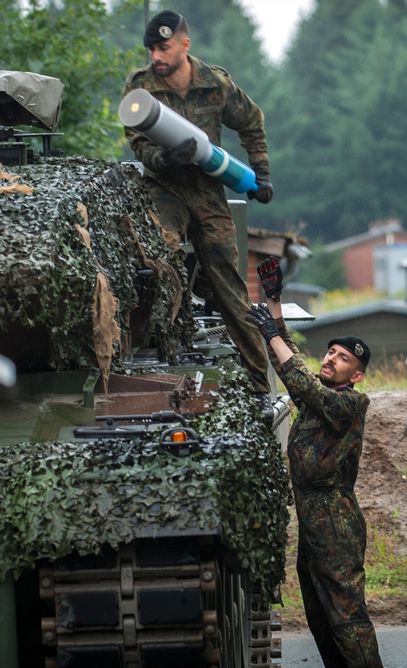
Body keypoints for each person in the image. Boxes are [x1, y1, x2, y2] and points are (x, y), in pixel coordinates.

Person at [123, 10, 274, 406]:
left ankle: (260, 384)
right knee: (159, 256)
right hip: (163, 188)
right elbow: (138, 144)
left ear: (184, 44)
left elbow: (252, 122)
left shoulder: (215, 83)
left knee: (229, 287)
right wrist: (167, 158)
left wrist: (261, 174)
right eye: (151, 48)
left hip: (208, 190)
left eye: (164, 47)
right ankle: (156, 367)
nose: (156, 55)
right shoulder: (140, 89)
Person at [245, 257, 385, 668]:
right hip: (314, 520)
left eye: (342, 358)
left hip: (335, 521)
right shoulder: (318, 396)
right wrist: (274, 302)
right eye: (330, 352)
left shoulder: (347, 404)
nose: (330, 359)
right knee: (320, 617)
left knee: (346, 617)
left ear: (356, 375)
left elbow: (299, 377)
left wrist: (271, 332)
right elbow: (292, 366)